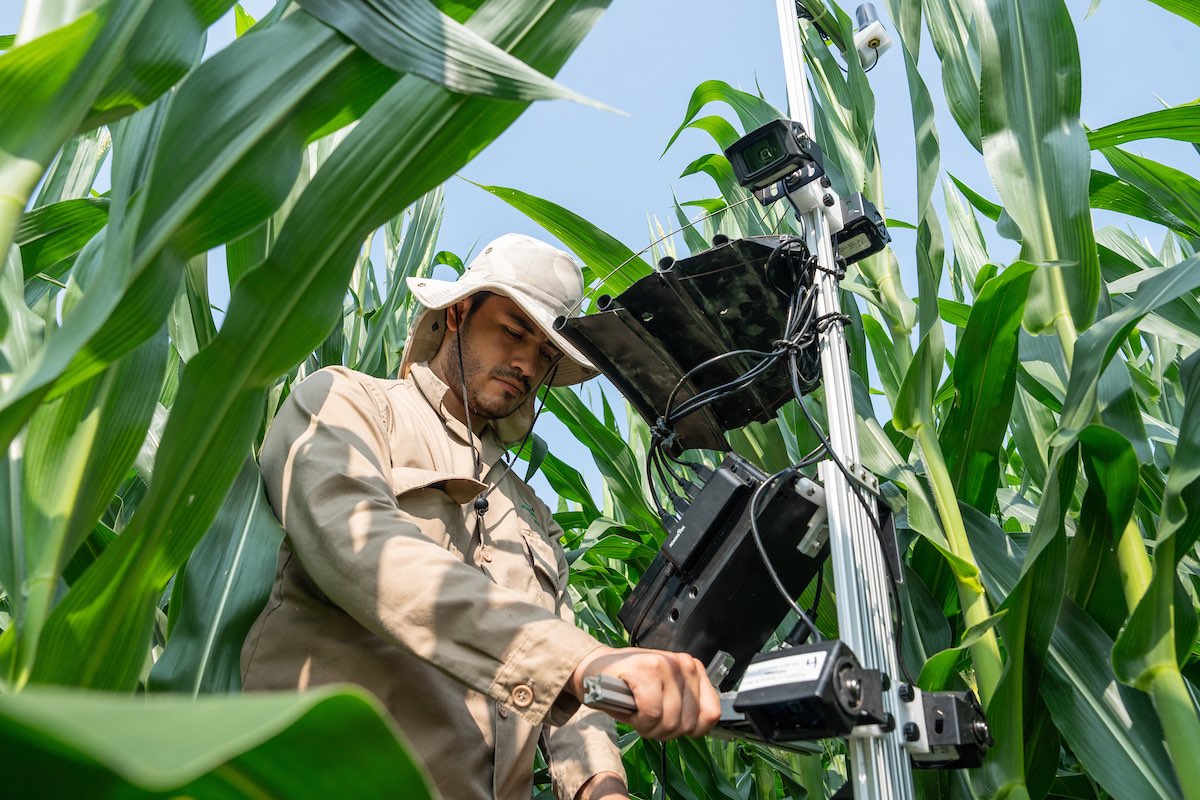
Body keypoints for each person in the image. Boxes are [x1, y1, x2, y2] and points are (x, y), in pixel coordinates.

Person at [241, 233, 721, 800]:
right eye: (514, 331)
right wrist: (582, 659)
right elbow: (364, 552)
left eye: (546, 355)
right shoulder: (351, 405)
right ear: (458, 312)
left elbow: (569, 686)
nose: (525, 363)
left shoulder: (533, 515)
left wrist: (603, 785)